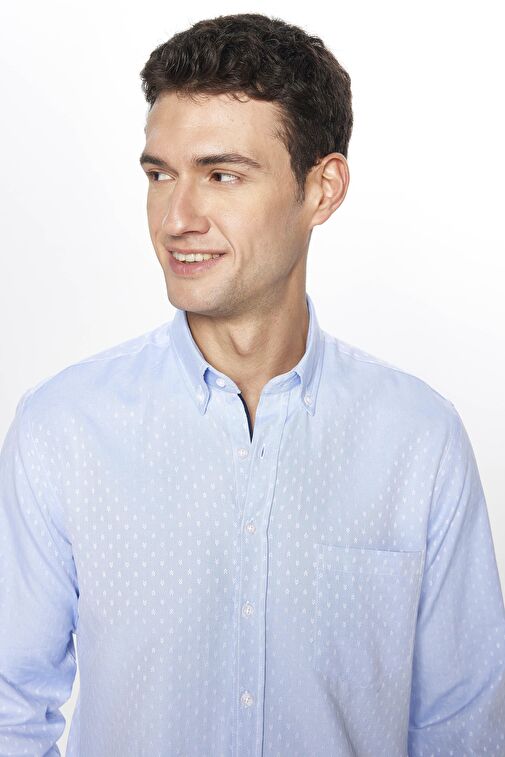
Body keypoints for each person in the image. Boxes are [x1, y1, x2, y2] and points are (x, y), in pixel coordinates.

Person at [0, 11, 504, 757]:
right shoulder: (63, 429)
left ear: (322, 189)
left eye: (222, 175)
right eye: (160, 175)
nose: (176, 218)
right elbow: (10, 710)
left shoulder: (418, 441)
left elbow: (462, 731)